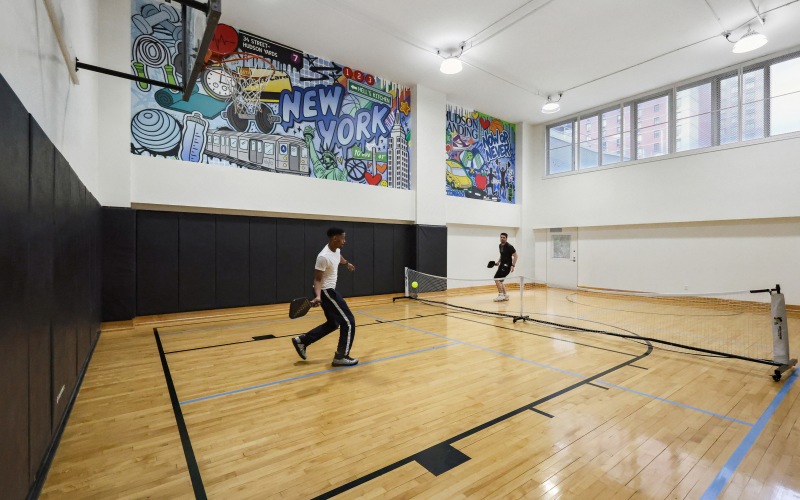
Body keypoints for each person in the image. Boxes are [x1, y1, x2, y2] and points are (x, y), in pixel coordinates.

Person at [292, 227, 358, 366]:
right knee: (348, 321)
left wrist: (347, 263)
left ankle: (303, 341)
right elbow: (317, 280)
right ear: (335, 238)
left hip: (328, 291)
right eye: (343, 238)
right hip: (326, 291)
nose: (344, 241)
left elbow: (338, 257)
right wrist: (318, 296)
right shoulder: (323, 257)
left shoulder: (336, 250)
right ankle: (341, 356)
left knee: (333, 323)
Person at [491, 232, 517, 301]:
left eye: (504, 237)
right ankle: (505, 295)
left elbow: (515, 256)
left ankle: (501, 295)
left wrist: (513, 265)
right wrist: (498, 262)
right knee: (501, 281)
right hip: (502, 265)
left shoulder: (509, 246)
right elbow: (501, 255)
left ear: (506, 238)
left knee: (496, 279)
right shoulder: (500, 245)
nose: (502, 238)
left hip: (507, 266)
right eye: (501, 237)